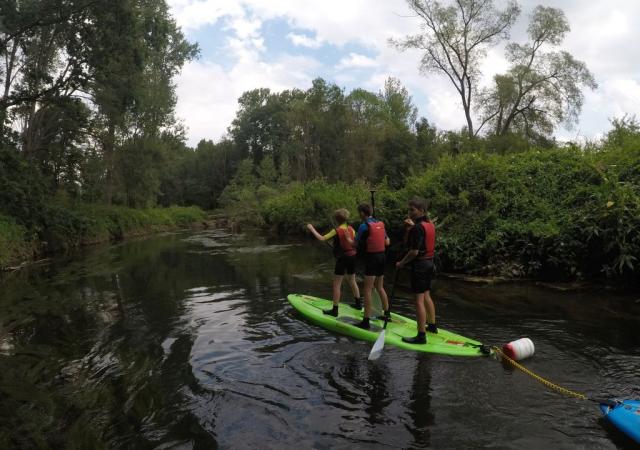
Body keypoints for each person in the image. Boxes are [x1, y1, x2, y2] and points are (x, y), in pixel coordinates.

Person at [396, 197, 438, 344]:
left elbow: (414, 251)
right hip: (430, 264)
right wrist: (410, 229)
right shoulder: (430, 224)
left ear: (421, 210)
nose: (410, 212)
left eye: (412, 210)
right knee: (426, 295)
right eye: (409, 209)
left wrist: (401, 263)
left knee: (418, 301)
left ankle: (421, 336)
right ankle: (432, 326)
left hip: (420, 266)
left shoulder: (419, 227)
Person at [306, 209, 361, 316]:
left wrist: (311, 228)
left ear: (336, 220)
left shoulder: (336, 230)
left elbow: (322, 238)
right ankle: (358, 304)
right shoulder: (351, 229)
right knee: (352, 280)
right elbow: (354, 241)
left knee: (336, 284)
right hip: (353, 256)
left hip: (343, 259)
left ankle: (335, 310)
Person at [352, 203, 390, 329]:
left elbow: (355, 244)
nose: (359, 215)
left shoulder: (364, 226)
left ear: (363, 213)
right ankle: (387, 314)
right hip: (382, 257)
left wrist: (347, 239)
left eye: (359, 212)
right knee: (380, 287)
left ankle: (366, 321)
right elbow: (387, 241)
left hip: (372, 258)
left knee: (367, 289)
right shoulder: (380, 223)